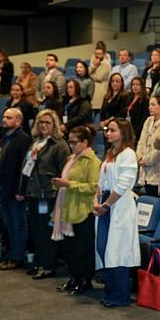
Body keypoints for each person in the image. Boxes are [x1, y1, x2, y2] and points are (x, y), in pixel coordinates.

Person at [94, 119, 141, 307]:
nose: (108, 133)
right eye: (107, 130)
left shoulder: (128, 154)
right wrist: (96, 200)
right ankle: (110, 290)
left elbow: (123, 184)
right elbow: (100, 180)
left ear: (123, 132)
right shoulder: (110, 153)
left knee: (118, 250)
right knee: (103, 246)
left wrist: (105, 204)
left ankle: (119, 295)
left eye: (112, 130)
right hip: (106, 201)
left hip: (119, 204)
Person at [51, 125, 101, 294]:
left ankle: (85, 280)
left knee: (82, 249)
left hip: (83, 209)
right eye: (70, 141)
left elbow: (93, 187)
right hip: (67, 207)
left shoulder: (93, 161)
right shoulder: (72, 158)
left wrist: (68, 184)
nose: (71, 145)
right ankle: (74, 278)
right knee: (69, 248)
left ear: (85, 142)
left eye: (75, 142)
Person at [21, 110, 70, 280]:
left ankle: (49, 265)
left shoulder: (59, 145)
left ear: (54, 125)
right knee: (36, 230)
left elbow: (65, 171)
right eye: (41, 122)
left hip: (48, 194)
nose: (43, 125)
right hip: (33, 191)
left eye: (48, 122)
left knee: (45, 231)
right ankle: (41, 262)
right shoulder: (36, 142)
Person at [0, 108, 32, 270]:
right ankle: (11, 255)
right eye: (4, 117)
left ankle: (17, 257)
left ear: (18, 121)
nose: (4, 120)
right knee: (8, 223)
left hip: (15, 190)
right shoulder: (5, 138)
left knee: (18, 224)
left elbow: (23, 168)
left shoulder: (24, 139)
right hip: (3, 188)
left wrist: (20, 190)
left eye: (9, 117)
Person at [136, 96, 160, 197]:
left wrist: (146, 160)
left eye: (153, 105)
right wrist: (139, 157)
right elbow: (141, 141)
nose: (150, 107)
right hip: (144, 167)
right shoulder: (148, 120)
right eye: (149, 105)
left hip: (156, 167)